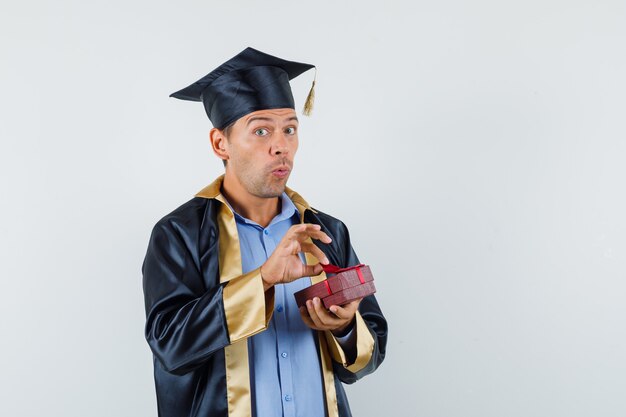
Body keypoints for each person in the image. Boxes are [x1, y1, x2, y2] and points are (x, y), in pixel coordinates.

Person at [142, 47, 388, 417]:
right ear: (219, 143)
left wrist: (344, 329)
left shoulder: (326, 232)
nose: (281, 146)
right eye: (261, 130)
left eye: (290, 129)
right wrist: (261, 282)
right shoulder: (179, 234)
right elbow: (170, 347)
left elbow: (370, 353)